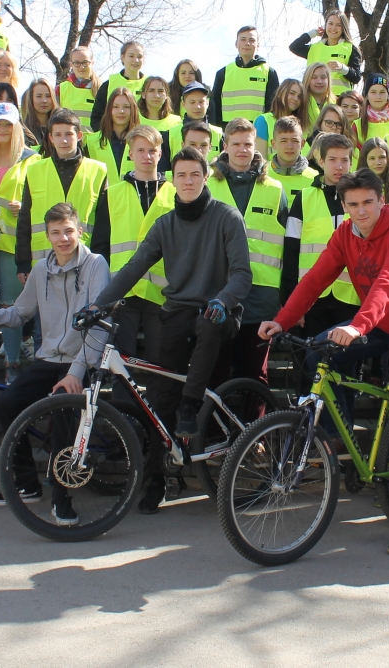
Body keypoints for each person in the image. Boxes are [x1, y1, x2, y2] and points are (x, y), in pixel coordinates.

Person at [260, 169, 389, 557]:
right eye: (352, 205)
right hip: (378, 325)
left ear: (382, 200)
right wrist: (283, 319)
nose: (361, 211)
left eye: (368, 203)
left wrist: (358, 325)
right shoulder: (345, 234)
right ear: (343, 206)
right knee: (317, 351)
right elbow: (315, 279)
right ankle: (341, 444)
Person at [93, 145, 252, 513]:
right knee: (160, 399)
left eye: (195, 174)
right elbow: (134, 267)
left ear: (206, 176)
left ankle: (191, 407)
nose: (188, 181)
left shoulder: (227, 217)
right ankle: (156, 481)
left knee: (209, 325)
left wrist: (222, 300)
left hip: (219, 311)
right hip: (178, 310)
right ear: (172, 179)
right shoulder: (165, 224)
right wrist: (97, 304)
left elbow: (243, 274)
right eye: (181, 175)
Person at [0, 202, 110, 516]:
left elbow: (99, 325)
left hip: (82, 361)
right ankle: (27, 483)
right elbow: (20, 312)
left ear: (80, 231)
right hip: (49, 359)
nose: (63, 239)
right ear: (47, 236)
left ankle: (62, 500)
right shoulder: (42, 269)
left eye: (69, 231)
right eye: (56, 233)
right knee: (7, 403)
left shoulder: (96, 265)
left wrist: (75, 372)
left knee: (61, 414)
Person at [209, 118, 289, 381]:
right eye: (236, 144)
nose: (242, 150)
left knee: (255, 374)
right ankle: (215, 424)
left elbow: (289, 247)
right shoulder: (207, 187)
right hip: (218, 293)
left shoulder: (276, 190)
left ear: (256, 147)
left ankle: (256, 424)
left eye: (248, 144)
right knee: (216, 371)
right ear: (225, 145)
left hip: (261, 297)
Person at [92, 124, 175, 363]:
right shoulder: (112, 193)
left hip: (161, 292)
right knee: (120, 362)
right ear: (130, 153)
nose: (146, 156)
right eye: (140, 150)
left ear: (161, 153)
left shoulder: (174, 194)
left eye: (152, 150)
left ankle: (159, 402)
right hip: (122, 292)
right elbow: (101, 244)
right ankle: (120, 403)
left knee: (159, 362)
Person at [15, 108, 109, 274]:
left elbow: (104, 223)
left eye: (68, 134)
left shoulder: (98, 170)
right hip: (43, 261)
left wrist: (100, 262)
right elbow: (24, 220)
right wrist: (23, 263)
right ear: (50, 138)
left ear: (79, 136)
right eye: (58, 135)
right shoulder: (35, 170)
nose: (64, 140)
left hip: (85, 260)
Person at [283, 134, 360, 336]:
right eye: (333, 160)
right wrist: (292, 303)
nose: (339, 167)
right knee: (310, 361)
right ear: (321, 161)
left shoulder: (361, 201)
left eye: (344, 160)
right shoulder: (304, 198)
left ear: (351, 163)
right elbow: (291, 253)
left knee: (344, 365)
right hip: (311, 299)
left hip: (350, 298)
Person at [0, 103, 38, 371]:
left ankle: (12, 364)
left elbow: (42, 199)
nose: (2, 129)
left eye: (8, 124)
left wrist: (26, 206)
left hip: (12, 244)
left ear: (17, 128)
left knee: (9, 305)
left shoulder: (33, 159)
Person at [209, 25, 279, 125]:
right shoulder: (223, 73)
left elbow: (273, 108)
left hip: (257, 132)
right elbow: (215, 106)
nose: (247, 43)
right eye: (243, 39)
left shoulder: (269, 73)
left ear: (258, 45)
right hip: (229, 132)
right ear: (236, 43)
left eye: (252, 40)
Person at [288, 9, 362, 99]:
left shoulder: (350, 48)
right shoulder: (314, 48)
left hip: (339, 99)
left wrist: (343, 68)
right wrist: (312, 33)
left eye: (338, 25)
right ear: (325, 25)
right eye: (330, 24)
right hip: (312, 99)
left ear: (343, 28)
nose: (333, 28)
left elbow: (357, 77)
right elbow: (294, 47)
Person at [85, 87, 142, 179]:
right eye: (115, 107)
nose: (121, 111)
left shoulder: (142, 142)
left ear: (133, 110)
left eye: (126, 107)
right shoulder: (91, 142)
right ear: (109, 110)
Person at [90, 40, 148, 127]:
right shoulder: (108, 84)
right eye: (131, 56)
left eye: (139, 57)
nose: (136, 60)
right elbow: (96, 118)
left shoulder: (150, 84)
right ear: (122, 57)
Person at [256, 77, 312, 152]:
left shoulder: (303, 127)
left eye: (299, 97)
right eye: (292, 93)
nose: (296, 99)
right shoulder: (263, 121)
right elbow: (260, 160)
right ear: (280, 93)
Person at [268, 116, 318, 196]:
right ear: (274, 144)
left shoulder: (315, 179)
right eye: (284, 141)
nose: (289, 146)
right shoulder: (261, 175)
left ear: (302, 144)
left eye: (295, 141)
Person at [59, 46, 100, 129]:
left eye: (85, 62)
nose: (81, 67)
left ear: (92, 63)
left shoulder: (103, 90)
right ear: (71, 64)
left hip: (96, 141)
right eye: (77, 63)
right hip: (69, 141)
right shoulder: (60, 89)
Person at [136, 76, 182, 144]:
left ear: (166, 95)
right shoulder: (135, 120)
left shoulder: (176, 121)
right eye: (151, 91)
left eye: (160, 91)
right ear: (143, 94)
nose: (156, 95)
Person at [21, 76, 59, 151]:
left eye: (48, 96)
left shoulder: (61, 125)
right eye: (39, 96)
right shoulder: (23, 129)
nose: (44, 100)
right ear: (31, 99)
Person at [361, 136, 389, 203]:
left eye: (382, 157)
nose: (378, 162)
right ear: (365, 160)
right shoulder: (355, 186)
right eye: (372, 158)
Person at [360, 73, 389, 140]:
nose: (378, 97)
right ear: (367, 96)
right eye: (373, 92)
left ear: (388, 95)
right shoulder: (358, 125)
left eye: (382, 92)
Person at [301, 60, 333, 126]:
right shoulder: (300, 102)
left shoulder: (337, 104)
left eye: (323, 77)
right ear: (307, 79)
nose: (319, 81)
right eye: (314, 77)